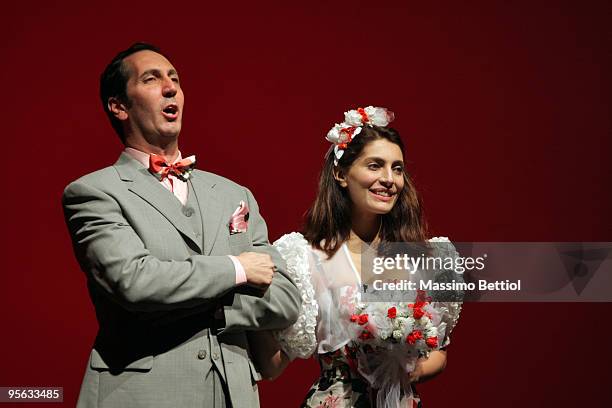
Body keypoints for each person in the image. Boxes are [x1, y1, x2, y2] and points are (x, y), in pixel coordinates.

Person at [62, 42, 301, 408]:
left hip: (232, 396)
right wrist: (237, 269)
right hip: (142, 396)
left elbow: (285, 297)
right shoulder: (94, 192)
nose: (171, 87)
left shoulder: (234, 194)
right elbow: (136, 282)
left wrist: (213, 306)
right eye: (151, 78)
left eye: (174, 78)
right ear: (119, 106)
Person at [249, 107, 462, 407]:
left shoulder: (424, 257)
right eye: (375, 165)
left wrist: (403, 368)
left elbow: (439, 353)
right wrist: (249, 299)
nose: (389, 179)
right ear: (341, 173)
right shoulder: (307, 257)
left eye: (397, 168)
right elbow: (272, 365)